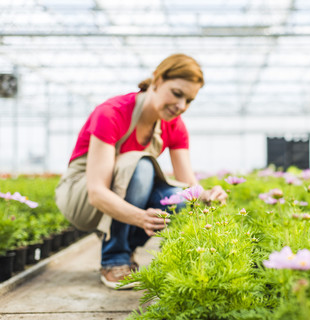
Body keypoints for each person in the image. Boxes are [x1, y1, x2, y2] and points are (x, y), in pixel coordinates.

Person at [55, 53, 228, 289]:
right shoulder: (112, 113)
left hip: (121, 193)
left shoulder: (175, 126)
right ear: (156, 80)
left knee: (180, 201)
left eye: (189, 100)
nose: (181, 106)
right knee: (142, 166)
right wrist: (139, 217)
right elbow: (96, 192)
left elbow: (188, 186)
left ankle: (126, 252)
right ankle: (114, 258)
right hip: (81, 195)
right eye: (177, 94)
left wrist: (206, 195)